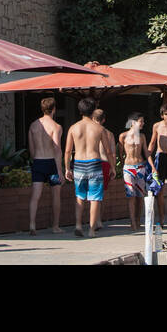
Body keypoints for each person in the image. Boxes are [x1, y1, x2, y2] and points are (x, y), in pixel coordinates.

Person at [64, 97, 110, 237]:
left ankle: (78, 225)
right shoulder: (99, 129)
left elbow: (67, 151)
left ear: (80, 111)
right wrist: (113, 167)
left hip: (78, 163)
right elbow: (108, 151)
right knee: (94, 197)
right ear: (93, 110)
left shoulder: (73, 128)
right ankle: (91, 229)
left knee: (80, 196)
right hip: (94, 163)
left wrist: (67, 168)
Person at [28, 97, 65, 235]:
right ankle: (55, 226)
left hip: (38, 161)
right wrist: (60, 170)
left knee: (35, 195)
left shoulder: (33, 125)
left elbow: (31, 149)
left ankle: (32, 224)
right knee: (56, 195)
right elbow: (57, 149)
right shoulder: (56, 127)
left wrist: (35, 160)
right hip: (51, 163)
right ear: (54, 109)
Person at [119, 114, 150, 230]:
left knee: (140, 195)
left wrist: (151, 165)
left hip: (140, 165)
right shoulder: (123, 136)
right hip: (128, 166)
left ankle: (138, 219)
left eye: (143, 121)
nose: (142, 124)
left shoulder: (142, 136)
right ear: (133, 122)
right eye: (140, 121)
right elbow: (121, 153)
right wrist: (123, 166)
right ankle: (132, 221)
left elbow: (146, 152)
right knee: (130, 194)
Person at [93, 108, 117, 232]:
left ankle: (95, 220)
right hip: (105, 163)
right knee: (101, 194)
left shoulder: (89, 131)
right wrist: (113, 168)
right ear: (104, 120)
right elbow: (112, 153)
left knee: (93, 194)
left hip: (92, 162)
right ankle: (98, 220)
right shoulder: (108, 133)